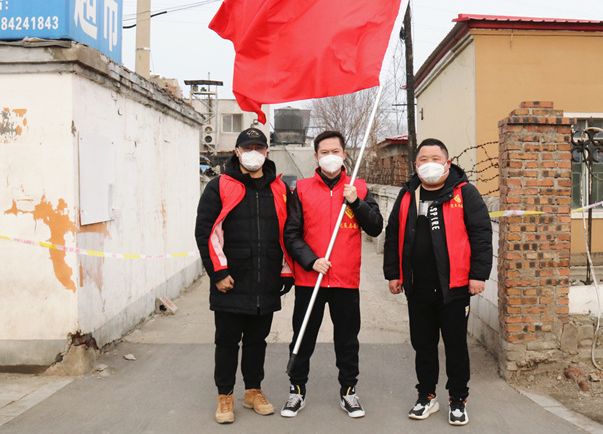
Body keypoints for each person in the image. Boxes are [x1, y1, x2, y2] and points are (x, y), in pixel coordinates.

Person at [383, 138, 492, 426]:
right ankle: (426, 396)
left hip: (454, 288)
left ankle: (458, 399)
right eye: (423, 159)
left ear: (447, 162)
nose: (429, 164)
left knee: (456, 346)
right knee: (423, 346)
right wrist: (393, 274)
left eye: (435, 158)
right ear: (415, 164)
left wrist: (478, 275)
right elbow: (393, 234)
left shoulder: (464, 193)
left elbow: (481, 235)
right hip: (417, 287)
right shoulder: (408, 195)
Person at [195, 127, 294, 424]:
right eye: (247, 147)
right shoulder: (220, 185)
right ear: (236, 152)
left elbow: (288, 231)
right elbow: (206, 232)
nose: (253, 153)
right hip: (231, 280)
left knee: (257, 341)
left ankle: (253, 391)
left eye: (258, 147)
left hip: (266, 280)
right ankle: (224, 396)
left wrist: (285, 269)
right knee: (227, 342)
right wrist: (218, 272)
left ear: (267, 152)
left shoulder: (279, 188)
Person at [281, 130, 383, 419]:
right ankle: (296, 390)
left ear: (344, 154)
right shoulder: (301, 189)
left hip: (345, 280)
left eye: (335, 151)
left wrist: (356, 203)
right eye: (324, 152)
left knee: (347, 339)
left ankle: (349, 391)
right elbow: (291, 234)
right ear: (316, 157)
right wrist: (311, 261)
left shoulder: (358, 187)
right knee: (303, 337)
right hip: (310, 279)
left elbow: (376, 226)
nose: (330, 157)